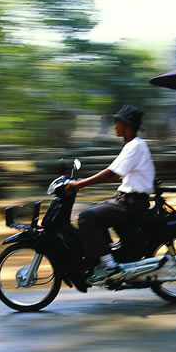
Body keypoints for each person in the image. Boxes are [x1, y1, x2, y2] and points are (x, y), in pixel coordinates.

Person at [65, 104, 156, 285]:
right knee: (95, 214)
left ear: (127, 125)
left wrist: (80, 184)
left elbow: (111, 172)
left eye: (118, 122)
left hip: (132, 203)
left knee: (86, 218)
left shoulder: (135, 146)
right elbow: (114, 173)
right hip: (125, 200)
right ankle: (105, 257)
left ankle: (109, 266)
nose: (115, 126)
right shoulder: (133, 145)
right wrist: (83, 181)